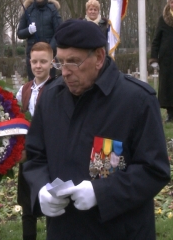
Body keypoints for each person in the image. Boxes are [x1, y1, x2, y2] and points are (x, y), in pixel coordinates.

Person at [22, 19, 171, 239]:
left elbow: (154, 170)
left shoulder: (136, 101)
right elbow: (35, 156)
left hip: (119, 231)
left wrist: (101, 193)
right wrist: (40, 187)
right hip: (64, 230)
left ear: (99, 57)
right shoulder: (51, 99)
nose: (65, 72)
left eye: (73, 62)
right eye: (60, 62)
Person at [16, 42, 56, 240]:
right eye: (34, 61)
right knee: (27, 206)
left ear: (52, 63)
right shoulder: (24, 90)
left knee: (52, 204)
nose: (38, 66)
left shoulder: (58, 89)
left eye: (43, 61)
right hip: (27, 154)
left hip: (50, 154)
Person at [17, 0, 62, 81]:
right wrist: (28, 30)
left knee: (49, 83)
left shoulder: (52, 9)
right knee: (33, 82)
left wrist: (49, 49)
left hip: (49, 56)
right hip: (33, 54)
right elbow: (19, 33)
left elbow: (59, 32)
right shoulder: (28, 10)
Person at [149, 0, 173, 123]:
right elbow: (156, 40)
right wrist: (154, 58)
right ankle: (170, 114)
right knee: (168, 86)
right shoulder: (163, 19)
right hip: (167, 60)